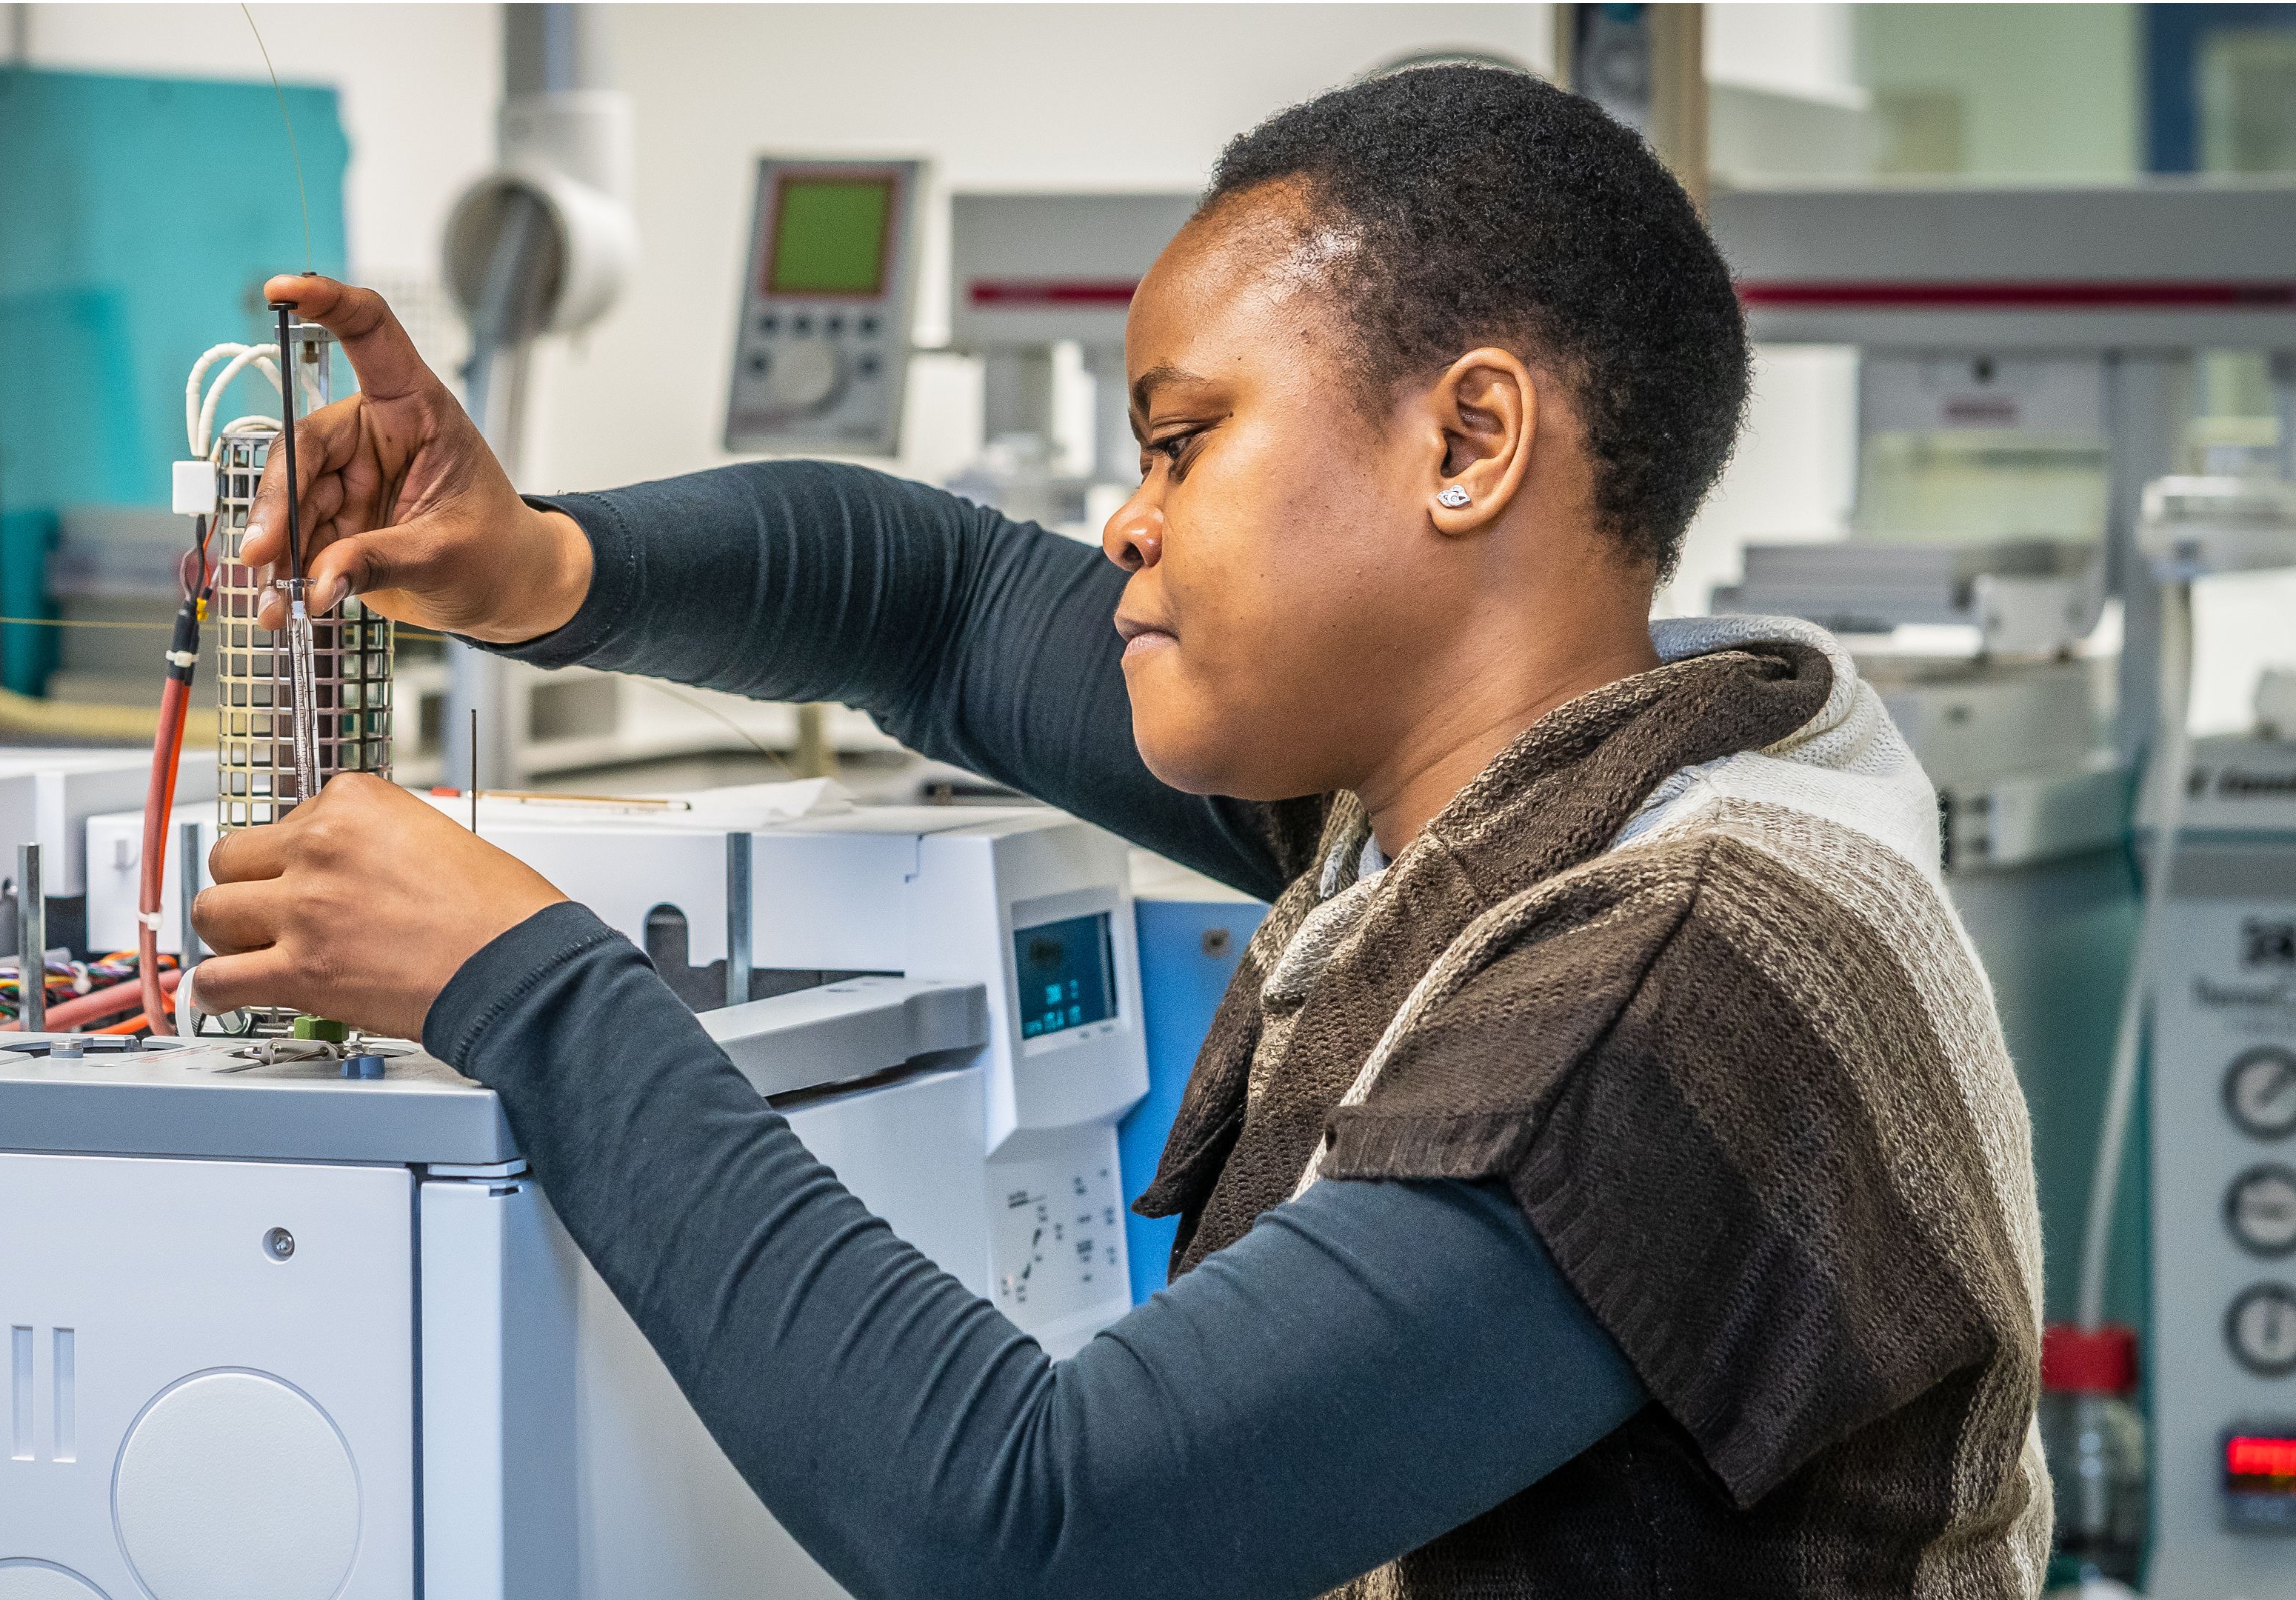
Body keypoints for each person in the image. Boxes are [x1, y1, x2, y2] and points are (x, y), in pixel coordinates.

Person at [192, 64, 2049, 1599]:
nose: (1123, 521)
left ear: (1471, 442)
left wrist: (525, 984)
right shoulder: (1529, 787)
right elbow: (927, 602)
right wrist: (542, 563)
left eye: (1182, 441)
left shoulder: (1656, 977)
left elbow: (1038, 1522)